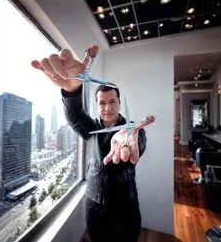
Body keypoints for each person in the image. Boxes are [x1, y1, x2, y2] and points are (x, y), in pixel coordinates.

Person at [31, 45, 155, 242]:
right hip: (94, 205)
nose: (107, 107)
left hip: (126, 205)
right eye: (102, 103)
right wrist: (71, 91)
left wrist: (128, 142)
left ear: (119, 103)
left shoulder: (133, 130)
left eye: (112, 102)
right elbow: (75, 116)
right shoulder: (91, 128)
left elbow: (137, 142)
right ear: (97, 106)